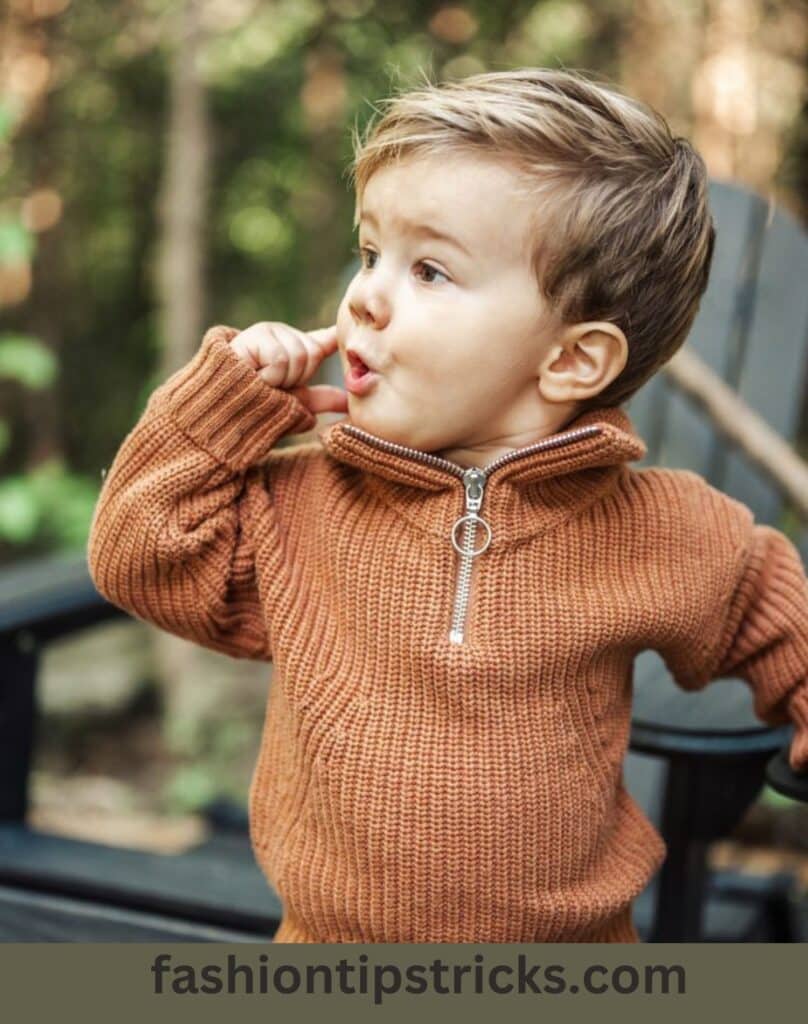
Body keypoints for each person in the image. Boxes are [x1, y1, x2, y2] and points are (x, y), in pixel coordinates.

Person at [86, 67, 808, 943]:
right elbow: (141, 558)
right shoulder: (304, 503)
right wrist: (223, 410)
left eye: (428, 270)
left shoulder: (664, 530)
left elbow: (771, 610)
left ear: (574, 362)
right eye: (369, 254)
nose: (364, 296)